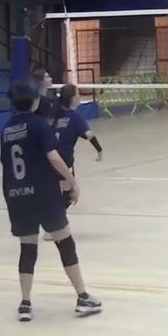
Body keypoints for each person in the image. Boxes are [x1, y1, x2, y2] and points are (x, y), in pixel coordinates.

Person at [1, 79, 102, 321]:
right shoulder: (38, 125)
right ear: (35, 101)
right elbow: (54, 158)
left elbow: (6, 164)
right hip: (44, 194)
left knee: (28, 248)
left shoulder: (6, 130)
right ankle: (82, 297)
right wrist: (72, 182)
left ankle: (25, 304)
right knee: (65, 242)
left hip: (16, 195)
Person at [45, 84, 104, 240]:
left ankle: (53, 224)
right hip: (62, 163)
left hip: (52, 160)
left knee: (63, 194)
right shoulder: (75, 118)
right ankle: (53, 227)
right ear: (73, 99)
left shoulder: (58, 116)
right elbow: (89, 135)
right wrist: (99, 150)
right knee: (70, 194)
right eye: (78, 94)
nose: (79, 97)